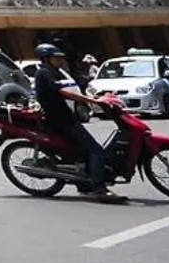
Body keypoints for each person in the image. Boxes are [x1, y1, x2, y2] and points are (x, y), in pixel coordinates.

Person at [34, 42, 113, 199]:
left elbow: (71, 88)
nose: (59, 61)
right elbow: (63, 92)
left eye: (59, 58)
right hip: (60, 120)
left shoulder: (57, 72)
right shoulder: (44, 73)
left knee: (80, 151)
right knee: (95, 150)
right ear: (46, 59)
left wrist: (100, 96)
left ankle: (83, 185)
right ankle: (99, 188)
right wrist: (90, 100)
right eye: (55, 58)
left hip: (67, 117)